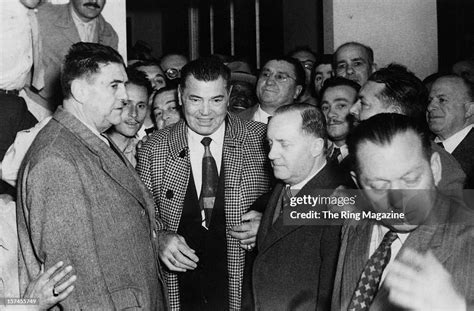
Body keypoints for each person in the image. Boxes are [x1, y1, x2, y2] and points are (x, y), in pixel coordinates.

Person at [16, 42, 167, 309]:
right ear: (79, 90)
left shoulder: (91, 140)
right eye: (114, 85)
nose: (124, 95)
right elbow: (75, 284)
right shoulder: (56, 160)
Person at [137, 57, 272, 310]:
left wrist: (271, 221)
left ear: (229, 95)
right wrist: (158, 238)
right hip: (182, 295)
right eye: (195, 99)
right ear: (180, 95)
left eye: (216, 100)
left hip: (248, 294)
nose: (206, 112)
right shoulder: (153, 150)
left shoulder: (262, 139)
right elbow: (139, 217)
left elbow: (315, 198)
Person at [332, 113, 474, 310]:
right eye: (379, 186)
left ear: (435, 168)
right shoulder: (355, 225)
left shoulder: (468, 238)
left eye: (410, 180)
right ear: (358, 183)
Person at [247, 103, 343, 310]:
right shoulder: (284, 186)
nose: (271, 154)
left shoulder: (340, 199)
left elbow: (331, 292)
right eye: (270, 143)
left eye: (284, 144)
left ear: (316, 147)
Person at [349, 64, 466, 195]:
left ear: (393, 113)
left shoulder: (445, 172)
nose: (352, 110)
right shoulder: (363, 154)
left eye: (363, 104)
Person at [34, 0, 118, 106]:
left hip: (81, 112)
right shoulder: (43, 16)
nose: (94, 1)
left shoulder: (109, 35)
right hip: (38, 104)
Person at [427, 74, 474, 188]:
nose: (430, 107)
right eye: (430, 100)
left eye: (442, 100)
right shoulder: (418, 145)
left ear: (469, 110)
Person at [239, 57, 305, 124]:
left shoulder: (308, 126)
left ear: (297, 91)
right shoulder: (234, 123)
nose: (269, 82)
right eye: (265, 74)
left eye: (280, 77)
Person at [107, 68, 151, 167]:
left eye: (141, 106)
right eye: (126, 104)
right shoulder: (93, 149)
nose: (134, 114)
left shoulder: (144, 152)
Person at [319, 77, 360, 166]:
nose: (330, 114)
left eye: (341, 106)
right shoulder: (317, 157)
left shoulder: (366, 157)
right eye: (325, 108)